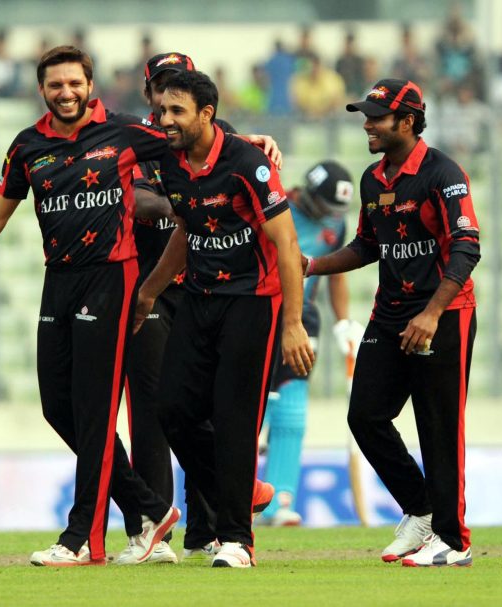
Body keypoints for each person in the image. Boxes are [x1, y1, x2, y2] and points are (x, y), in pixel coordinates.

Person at [0, 46, 181, 566]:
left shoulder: (124, 131)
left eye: (74, 83)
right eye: (56, 85)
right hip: (58, 280)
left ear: (89, 85)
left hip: (113, 276)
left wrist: (252, 144)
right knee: (58, 407)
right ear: (43, 90)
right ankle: (150, 510)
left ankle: (78, 537)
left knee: (95, 411)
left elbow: (193, 140)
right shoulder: (28, 145)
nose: (66, 92)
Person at [133, 69, 314, 568]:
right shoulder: (168, 163)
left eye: (176, 112)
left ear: (206, 115)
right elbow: (187, 233)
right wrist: (149, 291)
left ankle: (238, 541)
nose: (165, 120)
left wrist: (294, 323)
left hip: (252, 301)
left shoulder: (246, 162)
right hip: (198, 297)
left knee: (235, 420)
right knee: (172, 409)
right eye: (163, 110)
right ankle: (240, 488)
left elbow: (286, 243)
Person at [303, 78, 480, 567]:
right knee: (365, 416)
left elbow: (467, 247)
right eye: (366, 115)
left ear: (407, 121)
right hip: (391, 313)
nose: (367, 124)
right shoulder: (372, 179)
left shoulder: (443, 173)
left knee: (438, 428)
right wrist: (311, 264)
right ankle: (420, 508)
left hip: (444, 314)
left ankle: (454, 540)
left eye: (377, 116)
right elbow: (368, 246)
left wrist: (432, 312)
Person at [258, 160, 363, 527]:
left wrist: (344, 321)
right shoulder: (275, 206)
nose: (328, 218)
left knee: (293, 414)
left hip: (305, 319)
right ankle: (238, 499)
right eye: (324, 208)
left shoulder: (335, 221)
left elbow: (335, 272)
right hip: (262, 312)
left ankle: (279, 500)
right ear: (308, 193)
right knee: (251, 408)